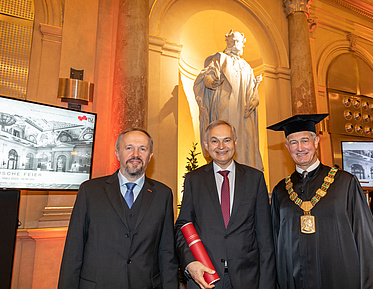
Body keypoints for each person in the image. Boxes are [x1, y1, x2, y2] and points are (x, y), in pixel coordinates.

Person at [267, 114, 373, 289]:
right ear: (287, 146)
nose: (300, 148)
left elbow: (365, 238)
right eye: (293, 143)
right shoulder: (280, 191)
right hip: (295, 280)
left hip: (339, 277)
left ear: (316, 142)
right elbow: (275, 242)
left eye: (305, 140)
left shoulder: (345, 183)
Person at [58, 128, 178, 289]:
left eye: (142, 149)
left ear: (150, 156)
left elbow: (167, 251)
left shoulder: (163, 194)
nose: (136, 154)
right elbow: (74, 249)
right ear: (117, 153)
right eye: (129, 148)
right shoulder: (90, 191)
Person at [175, 120, 276, 289]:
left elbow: (265, 237)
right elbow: (182, 226)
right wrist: (190, 262)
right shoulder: (194, 180)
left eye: (227, 140)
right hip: (206, 277)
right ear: (207, 145)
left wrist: (266, 284)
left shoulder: (255, 178)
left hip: (247, 278)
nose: (221, 146)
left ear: (235, 142)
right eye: (214, 141)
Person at [194, 30, 263, 171]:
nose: (235, 44)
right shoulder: (220, 59)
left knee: (245, 140)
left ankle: (245, 171)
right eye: (233, 41)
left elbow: (252, 91)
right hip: (224, 106)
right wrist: (211, 82)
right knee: (223, 135)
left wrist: (254, 100)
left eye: (238, 41)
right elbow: (206, 75)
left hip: (243, 112)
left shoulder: (247, 67)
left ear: (243, 43)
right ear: (228, 42)